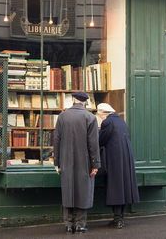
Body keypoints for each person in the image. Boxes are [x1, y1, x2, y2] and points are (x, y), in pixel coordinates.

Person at [54, 92, 100, 234]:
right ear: (85, 102)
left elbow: (56, 140)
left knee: (68, 190)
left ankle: (68, 224)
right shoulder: (90, 117)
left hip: (65, 160)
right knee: (83, 191)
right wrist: (95, 164)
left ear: (73, 100)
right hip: (84, 161)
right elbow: (93, 144)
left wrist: (57, 162)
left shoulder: (62, 116)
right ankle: (80, 224)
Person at [97, 103, 139, 229]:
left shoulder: (107, 122)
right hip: (125, 160)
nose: (99, 117)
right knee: (123, 189)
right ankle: (120, 218)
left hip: (114, 161)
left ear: (103, 112)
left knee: (115, 189)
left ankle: (117, 219)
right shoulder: (121, 122)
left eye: (99, 114)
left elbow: (101, 140)